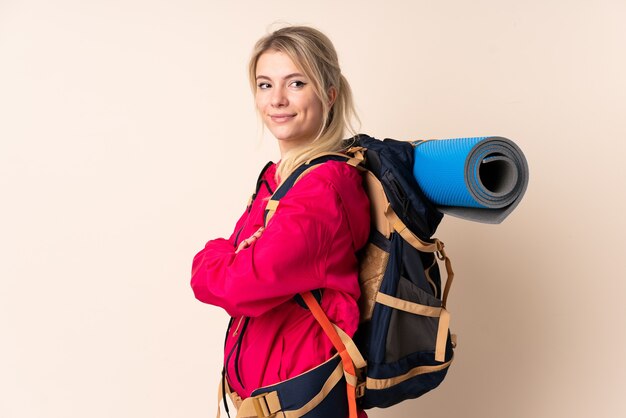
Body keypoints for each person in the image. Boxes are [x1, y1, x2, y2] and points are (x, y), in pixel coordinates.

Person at [191, 25, 370, 417]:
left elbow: (237, 284)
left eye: (296, 83)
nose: (278, 100)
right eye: (265, 84)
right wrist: (230, 257)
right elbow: (237, 271)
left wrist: (215, 255)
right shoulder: (280, 179)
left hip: (306, 405)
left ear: (329, 94)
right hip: (271, 404)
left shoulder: (321, 188)